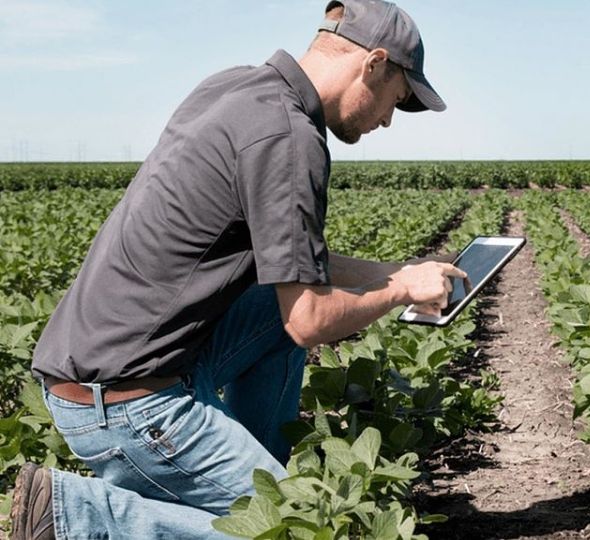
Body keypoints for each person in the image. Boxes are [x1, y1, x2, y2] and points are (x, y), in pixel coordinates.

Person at [9, 1, 463, 538]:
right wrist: (399, 291)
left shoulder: (236, 90)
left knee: (276, 308)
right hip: (128, 403)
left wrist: (393, 271)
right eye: (397, 98)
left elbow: (296, 268)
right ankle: (74, 516)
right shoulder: (290, 139)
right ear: (374, 64)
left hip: (102, 367)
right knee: (301, 527)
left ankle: (254, 473)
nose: (388, 118)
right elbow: (311, 320)